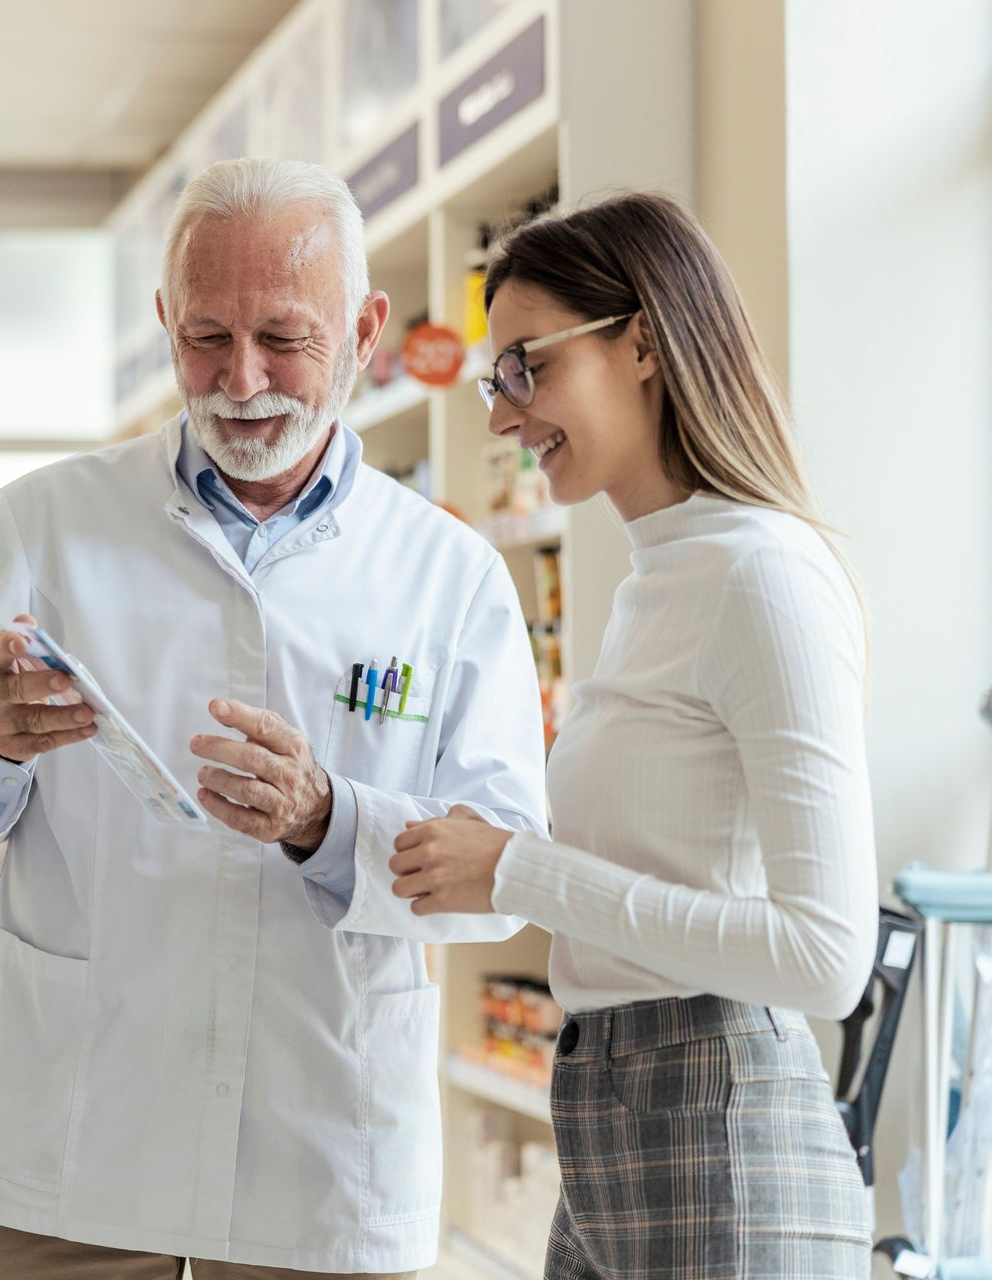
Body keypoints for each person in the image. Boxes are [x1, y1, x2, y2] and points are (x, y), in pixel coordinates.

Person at [0, 157, 549, 1279]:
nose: (241, 379)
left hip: (318, 1154)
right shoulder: (48, 520)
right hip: (64, 1140)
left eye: (283, 337)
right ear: (162, 323)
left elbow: (501, 876)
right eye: (204, 336)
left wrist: (333, 819)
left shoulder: (450, 575)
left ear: (366, 328)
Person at [388, 192, 877, 1278]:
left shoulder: (764, 575)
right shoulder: (659, 577)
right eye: (493, 380)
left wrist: (521, 869)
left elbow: (824, 953)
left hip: (720, 1133)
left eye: (525, 365)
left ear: (643, 340)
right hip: (614, 1118)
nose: (502, 416)